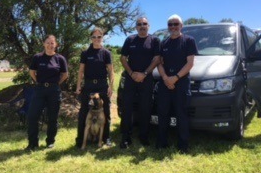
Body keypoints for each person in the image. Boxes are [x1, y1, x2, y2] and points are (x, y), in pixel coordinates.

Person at [156, 14, 198, 153]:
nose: (173, 27)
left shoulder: (188, 41)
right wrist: (165, 78)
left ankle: (183, 145)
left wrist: (175, 78)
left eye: (175, 24)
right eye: (170, 24)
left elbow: (190, 63)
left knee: (181, 114)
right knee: (163, 113)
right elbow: (159, 63)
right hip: (165, 83)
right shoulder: (164, 43)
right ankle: (162, 142)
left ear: (181, 26)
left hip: (181, 82)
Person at [119, 17, 160, 149]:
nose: (142, 26)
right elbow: (123, 58)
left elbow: (157, 59)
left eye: (144, 24)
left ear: (149, 25)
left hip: (147, 79)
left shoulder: (154, 40)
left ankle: (144, 136)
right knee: (127, 108)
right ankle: (126, 137)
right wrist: (131, 73)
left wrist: (144, 74)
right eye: (139, 24)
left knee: (145, 108)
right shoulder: (130, 40)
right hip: (131, 78)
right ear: (136, 27)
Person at [25, 35, 68, 151]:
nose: (50, 45)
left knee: (52, 117)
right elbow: (32, 72)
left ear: (56, 45)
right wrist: (38, 82)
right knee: (32, 116)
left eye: (52, 43)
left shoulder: (60, 59)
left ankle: (50, 141)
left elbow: (65, 75)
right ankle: (33, 143)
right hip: (40, 90)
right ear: (44, 44)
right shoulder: (37, 57)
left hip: (54, 91)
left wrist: (57, 83)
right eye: (48, 43)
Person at [75, 27, 114, 148]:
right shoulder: (85, 53)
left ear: (102, 38)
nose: (97, 39)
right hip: (89, 85)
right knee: (83, 113)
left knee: (106, 112)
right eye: (94, 37)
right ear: (91, 38)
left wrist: (111, 87)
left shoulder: (106, 53)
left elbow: (111, 72)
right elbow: (81, 71)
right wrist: (78, 86)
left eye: (99, 37)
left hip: (102, 85)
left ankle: (106, 138)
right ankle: (81, 139)